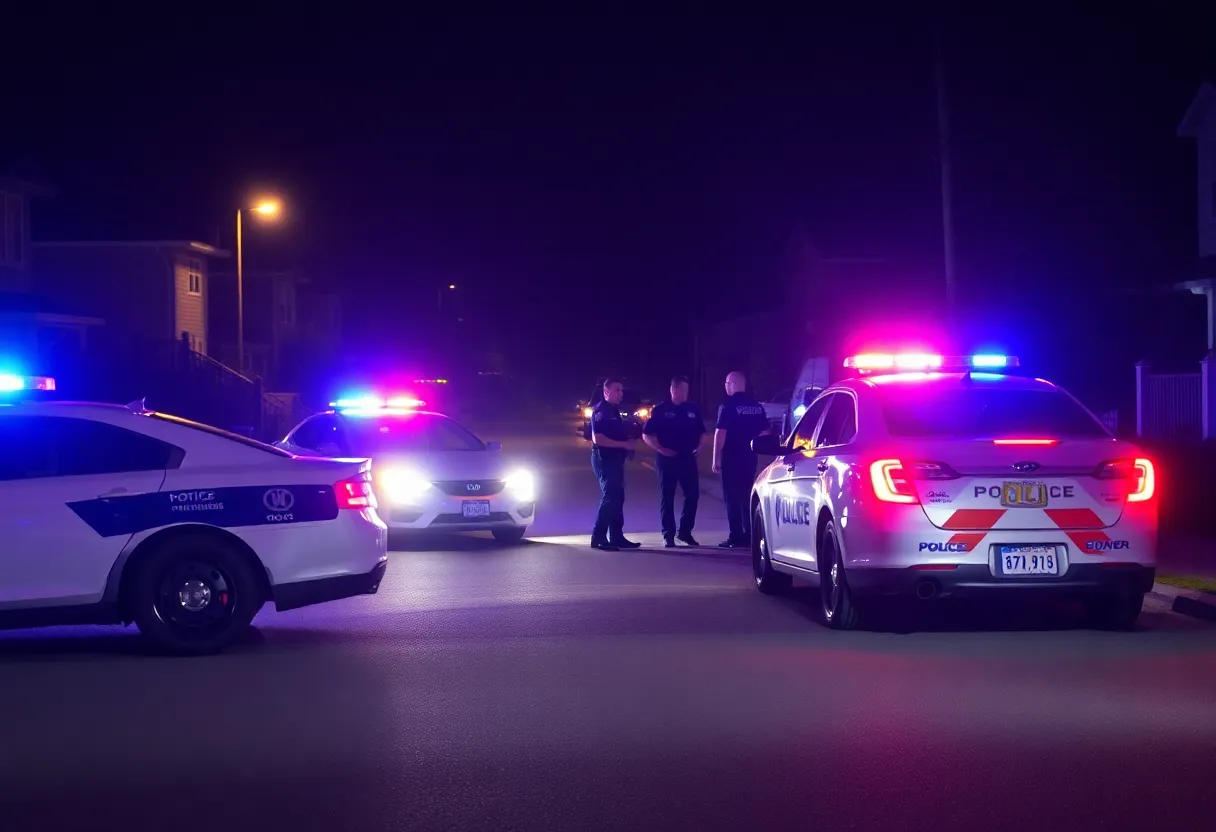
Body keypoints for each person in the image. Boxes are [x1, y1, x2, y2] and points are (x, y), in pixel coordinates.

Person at [642, 375, 705, 547]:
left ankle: (685, 532)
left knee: (692, 495)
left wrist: (700, 447)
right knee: (667, 496)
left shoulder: (693, 409)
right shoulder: (661, 410)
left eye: (687, 389)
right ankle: (668, 534)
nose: (685, 393)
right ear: (673, 390)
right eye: (682, 389)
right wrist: (660, 448)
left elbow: (702, 432)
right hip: (667, 459)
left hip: (688, 459)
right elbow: (646, 434)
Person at [712, 370, 771, 548]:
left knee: (731, 497)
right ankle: (750, 534)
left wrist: (715, 458)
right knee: (746, 496)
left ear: (732, 384)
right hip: (750, 457)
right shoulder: (756, 406)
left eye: (726, 383)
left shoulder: (728, 406)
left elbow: (720, 433)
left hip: (731, 457)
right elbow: (766, 431)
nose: (725, 387)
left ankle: (735, 535)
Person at [589, 378, 641, 551]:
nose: (621, 394)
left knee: (618, 497)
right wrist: (624, 445)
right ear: (606, 392)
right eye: (617, 390)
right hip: (604, 458)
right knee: (610, 496)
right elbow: (599, 438)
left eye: (621, 390)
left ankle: (617, 536)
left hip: (615, 459)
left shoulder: (615, 411)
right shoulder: (601, 411)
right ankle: (598, 536)